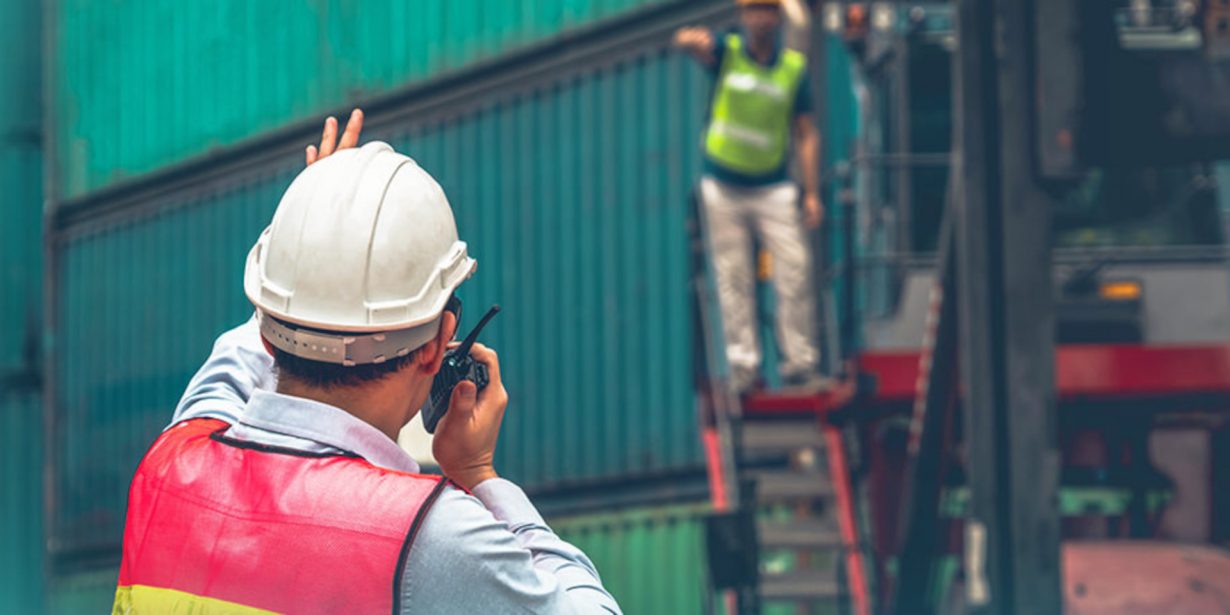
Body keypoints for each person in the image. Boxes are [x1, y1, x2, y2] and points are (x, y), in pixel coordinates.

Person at [112, 110, 623, 614]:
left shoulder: (168, 465)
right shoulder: (428, 536)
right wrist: (479, 473)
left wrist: (309, 244)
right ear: (437, 343)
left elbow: (235, 363)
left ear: (271, 320)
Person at [674, 0, 827, 393]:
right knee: (733, 276)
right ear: (742, 17)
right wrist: (691, 39)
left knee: (794, 270)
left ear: (777, 17)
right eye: (753, 10)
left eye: (767, 10)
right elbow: (687, 43)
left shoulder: (793, 69)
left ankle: (799, 364)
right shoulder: (727, 53)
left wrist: (811, 194)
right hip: (723, 185)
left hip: (773, 185)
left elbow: (806, 133)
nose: (759, 18)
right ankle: (743, 368)